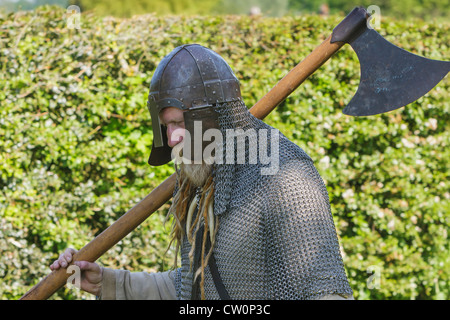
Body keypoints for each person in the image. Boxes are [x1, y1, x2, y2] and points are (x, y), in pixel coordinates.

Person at [50, 44, 354, 300]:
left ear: (213, 118)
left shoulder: (285, 174)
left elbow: (325, 289)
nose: (172, 139)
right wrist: (109, 283)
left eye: (180, 123)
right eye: (166, 126)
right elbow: (195, 284)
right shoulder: (207, 178)